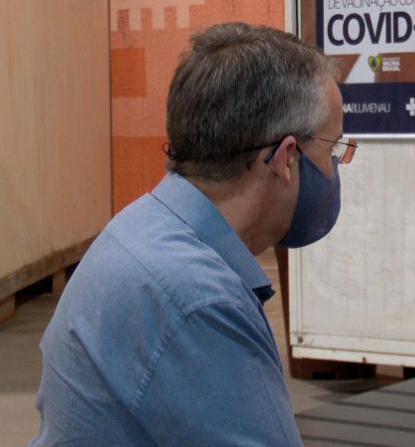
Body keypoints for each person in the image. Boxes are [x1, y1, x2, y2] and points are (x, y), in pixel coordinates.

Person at [30, 22, 356, 446]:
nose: (334, 167)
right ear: (286, 158)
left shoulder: (138, 230)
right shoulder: (200, 299)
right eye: (332, 149)